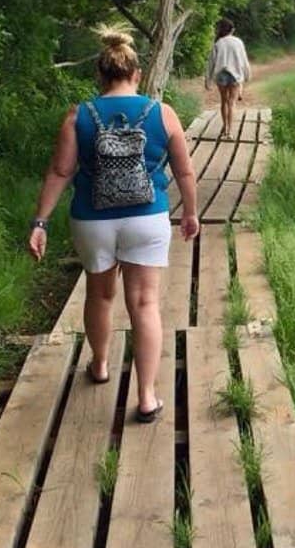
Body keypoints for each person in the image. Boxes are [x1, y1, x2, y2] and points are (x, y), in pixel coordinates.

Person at [27, 25, 200, 422]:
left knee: (100, 295)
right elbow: (185, 171)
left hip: (93, 221)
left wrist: (40, 222)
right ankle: (146, 396)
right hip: (146, 218)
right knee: (144, 303)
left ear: (100, 75)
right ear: (137, 74)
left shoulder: (79, 115)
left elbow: (60, 172)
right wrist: (190, 213)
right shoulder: (162, 113)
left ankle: (101, 364)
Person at [204, 18, 251, 140]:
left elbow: (211, 63)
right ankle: (230, 132)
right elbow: (244, 59)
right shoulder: (238, 42)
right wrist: (247, 74)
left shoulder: (218, 43)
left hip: (221, 74)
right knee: (232, 103)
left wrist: (208, 80)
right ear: (232, 30)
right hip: (235, 75)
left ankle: (225, 128)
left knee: (224, 101)